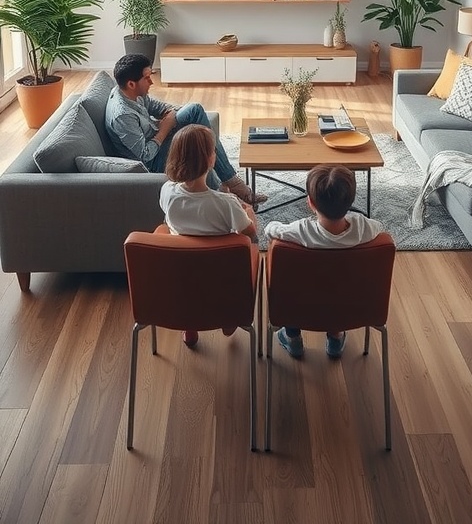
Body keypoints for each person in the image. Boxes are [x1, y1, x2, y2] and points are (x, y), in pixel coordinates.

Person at [105, 53, 266, 206]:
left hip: (158, 137)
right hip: (153, 160)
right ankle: (225, 192)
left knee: (194, 111)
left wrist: (171, 114)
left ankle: (230, 183)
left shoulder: (130, 92)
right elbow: (145, 156)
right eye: (147, 78)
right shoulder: (122, 115)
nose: (152, 82)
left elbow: (157, 107)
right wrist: (164, 129)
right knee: (198, 146)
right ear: (131, 84)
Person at [264, 164, 385, 359]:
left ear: (310, 202)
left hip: (300, 307)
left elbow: (270, 229)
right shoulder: (365, 228)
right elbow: (380, 227)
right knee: (339, 283)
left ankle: (292, 337)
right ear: (351, 200)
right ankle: (336, 337)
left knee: (292, 281)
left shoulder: (300, 231)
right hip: (350, 306)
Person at [160, 123, 258, 348]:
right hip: (221, 278)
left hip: (181, 274)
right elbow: (251, 234)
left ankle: (190, 323)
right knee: (246, 245)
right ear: (210, 160)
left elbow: (167, 219)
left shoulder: (167, 192)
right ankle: (228, 314)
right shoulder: (227, 204)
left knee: (180, 244)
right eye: (214, 151)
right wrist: (248, 211)